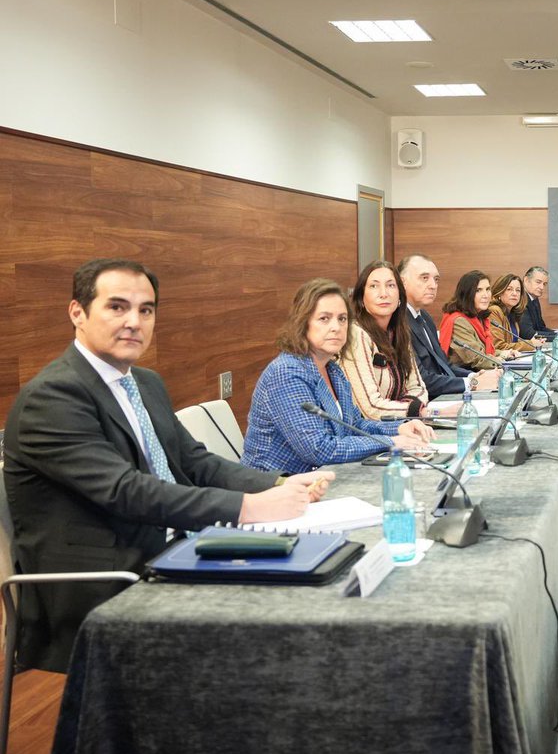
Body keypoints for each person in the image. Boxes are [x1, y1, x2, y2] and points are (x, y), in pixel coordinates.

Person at [3, 259, 334, 672]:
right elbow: (127, 490)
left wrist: (281, 483)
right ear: (77, 313)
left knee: (308, 584)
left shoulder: (144, 382)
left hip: (173, 549)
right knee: (264, 627)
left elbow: (195, 463)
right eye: (117, 307)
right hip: (102, 580)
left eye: (146, 310)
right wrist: (249, 508)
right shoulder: (52, 398)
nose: (134, 322)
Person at [241, 278, 433, 474]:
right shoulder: (286, 373)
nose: (336, 327)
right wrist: (391, 442)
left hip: (321, 481)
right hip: (275, 490)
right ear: (303, 323)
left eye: (342, 319)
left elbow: (355, 425)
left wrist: (399, 428)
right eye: (324, 318)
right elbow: (319, 449)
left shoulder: (333, 370)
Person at [342, 261, 459, 421]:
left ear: (399, 297)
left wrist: (408, 409)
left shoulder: (398, 332)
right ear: (361, 298)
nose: (384, 293)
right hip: (367, 433)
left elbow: (418, 387)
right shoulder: (356, 334)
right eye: (374, 286)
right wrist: (421, 412)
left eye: (390, 285)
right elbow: (371, 407)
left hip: (400, 425)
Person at [399, 254, 500, 398]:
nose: (433, 285)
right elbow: (421, 379)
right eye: (424, 278)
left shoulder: (425, 317)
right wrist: (472, 383)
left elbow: (444, 365)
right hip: (424, 404)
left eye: (436, 279)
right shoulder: (398, 322)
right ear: (402, 282)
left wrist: (473, 376)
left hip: (442, 395)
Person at [439, 270, 509, 370]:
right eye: (478, 290)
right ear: (467, 294)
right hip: (465, 377)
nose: (485, 295)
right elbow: (476, 358)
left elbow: (483, 350)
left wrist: (504, 353)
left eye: (488, 289)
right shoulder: (459, 321)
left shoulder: (479, 318)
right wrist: (507, 364)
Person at [488, 273, 542, 353]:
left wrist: (533, 342)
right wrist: (530, 344)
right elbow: (498, 346)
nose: (514, 294)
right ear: (499, 292)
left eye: (518, 290)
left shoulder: (512, 314)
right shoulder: (494, 311)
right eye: (509, 289)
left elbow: (513, 343)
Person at [518, 265, 558, 340]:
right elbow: (528, 334)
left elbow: (541, 328)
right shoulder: (521, 300)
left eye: (544, 284)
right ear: (526, 280)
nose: (542, 287)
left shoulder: (534, 299)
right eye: (538, 282)